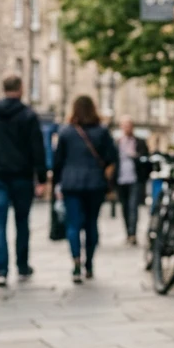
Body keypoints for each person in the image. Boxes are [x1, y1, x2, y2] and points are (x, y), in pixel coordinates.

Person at [0, 74, 48, 286]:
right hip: (22, 176)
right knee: (22, 222)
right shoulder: (28, 116)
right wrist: (41, 178)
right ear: (21, 88)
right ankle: (22, 266)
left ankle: (1, 270)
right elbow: (37, 149)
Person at [52, 95, 116, 284]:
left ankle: (76, 262)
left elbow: (58, 162)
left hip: (71, 184)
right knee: (91, 224)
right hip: (95, 183)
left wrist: (57, 183)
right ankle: (89, 264)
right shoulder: (102, 131)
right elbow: (112, 157)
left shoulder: (65, 132)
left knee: (73, 225)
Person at [114, 116, 150, 245]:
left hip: (135, 179)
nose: (127, 128)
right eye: (124, 125)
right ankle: (128, 233)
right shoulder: (117, 142)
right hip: (121, 179)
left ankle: (133, 234)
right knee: (124, 208)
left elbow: (146, 160)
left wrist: (135, 156)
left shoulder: (140, 142)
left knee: (133, 206)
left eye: (128, 125)